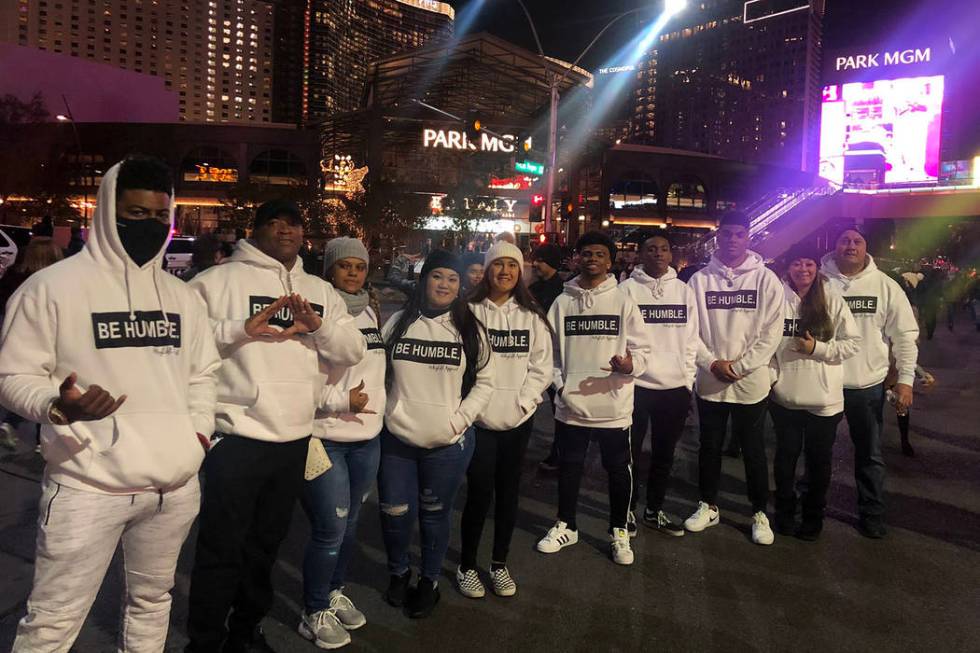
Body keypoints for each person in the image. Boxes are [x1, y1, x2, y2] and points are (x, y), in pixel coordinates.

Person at [0, 155, 220, 652]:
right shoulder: (51, 288)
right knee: (53, 621)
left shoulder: (181, 297)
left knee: (152, 601)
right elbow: (12, 375)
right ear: (106, 212)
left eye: (160, 216)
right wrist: (59, 407)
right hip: (87, 487)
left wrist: (197, 438)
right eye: (136, 214)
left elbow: (204, 374)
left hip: (174, 487)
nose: (151, 226)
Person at [185, 199, 366, 652]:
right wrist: (239, 329)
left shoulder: (318, 290)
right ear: (256, 229)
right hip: (237, 438)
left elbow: (352, 350)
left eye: (294, 222)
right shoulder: (214, 282)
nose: (286, 229)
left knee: (265, 548)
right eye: (275, 222)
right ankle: (205, 641)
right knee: (219, 550)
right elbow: (182, 347)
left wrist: (318, 327)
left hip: (294, 441)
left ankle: (246, 632)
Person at [379, 249, 494, 618]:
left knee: (434, 515)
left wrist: (460, 420)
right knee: (394, 512)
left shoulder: (470, 327)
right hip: (397, 438)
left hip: (447, 444)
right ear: (423, 278)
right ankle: (398, 572)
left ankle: (429, 581)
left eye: (452, 279)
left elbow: (487, 381)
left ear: (460, 286)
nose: (443, 284)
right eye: (436, 276)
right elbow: (377, 371)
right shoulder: (397, 321)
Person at [536, 231, 650, 566]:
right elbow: (551, 354)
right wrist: (560, 388)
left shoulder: (623, 301)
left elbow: (643, 350)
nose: (592, 260)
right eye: (586, 254)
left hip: (613, 403)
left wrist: (631, 366)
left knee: (618, 468)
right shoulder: (563, 301)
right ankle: (566, 525)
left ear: (610, 261)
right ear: (577, 259)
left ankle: (618, 530)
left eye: (600, 254)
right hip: (571, 405)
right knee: (570, 466)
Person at [299, 237, 385, 650]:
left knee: (350, 525)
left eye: (360, 266)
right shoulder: (316, 313)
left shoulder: (373, 309)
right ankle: (312, 609)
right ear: (329, 269)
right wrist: (339, 401)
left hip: (367, 440)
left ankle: (333, 591)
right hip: (327, 438)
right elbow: (295, 382)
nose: (353, 273)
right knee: (329, 528)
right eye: (344, 266)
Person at [458, 241, 552, 598]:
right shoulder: (467, 310)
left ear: (520, 272)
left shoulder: (531, 316)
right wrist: (469, 409)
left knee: (509, 494)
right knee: (479, 494)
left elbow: (541, 368)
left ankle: (499, 563)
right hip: (477, 420)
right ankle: (467, 565)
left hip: (517, 419)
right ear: (487, 270)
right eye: (498, 265)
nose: (505, 272)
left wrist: (523, 404)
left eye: (512, 266)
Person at [685, 211, 783, 546]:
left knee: (753, 449)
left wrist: (740, 367)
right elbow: (690, 331)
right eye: (726, 234)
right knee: (709, 447)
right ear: (718, 237)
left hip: (750, 382)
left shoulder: (766, 279)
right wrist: (711, 362)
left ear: (749, 237)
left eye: (739, 234)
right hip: (711, 380)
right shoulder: (699, 280)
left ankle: (759, 512)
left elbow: (772, 333)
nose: (732, 240)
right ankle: (708, 505)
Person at [821, 226, 918, 538]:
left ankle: (872, 513)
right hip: (822, 383)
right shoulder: (817, 282)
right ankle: (810, 510)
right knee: (816, 453)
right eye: (844, 240)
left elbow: (904, 335)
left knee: (870, 455)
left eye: (857, 241)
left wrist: (905, 380)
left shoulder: (885, 286)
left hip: (867, 386)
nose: (850, 245)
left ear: (865, 248)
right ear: (834, 246)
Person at [769, 244, 860, 541]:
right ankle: (784, 513)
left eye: (809, 264)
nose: (803, 270)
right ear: (788, 267)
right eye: (797, 263)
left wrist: (817, 349)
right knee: (785, 460)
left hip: (824, 402)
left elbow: (852, 343)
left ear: (816, 268)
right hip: (785, 398)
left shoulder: (832, 298)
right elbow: (765, 344)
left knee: (819, 464)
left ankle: (813, 517)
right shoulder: (776, 299)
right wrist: (771, 378)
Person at [618, 232, 698, 536]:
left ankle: (654, 509)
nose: (659, 254)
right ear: (641, 254)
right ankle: (627, 509)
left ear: (671, 254)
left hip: (674, 388)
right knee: (630, 454)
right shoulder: (626, 290)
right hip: (635, 385)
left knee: (665, 455)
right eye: (651, 249)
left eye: (664, 249)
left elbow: (692, 339)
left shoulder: (683, 291)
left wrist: (687, 380)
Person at [0, 236, 64, 451]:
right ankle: (39, 437)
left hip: (13, 332)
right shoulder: (55, 283)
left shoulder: (15, 276)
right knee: (46, 382)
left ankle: (11, 420)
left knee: (17, 377)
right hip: (49, 336)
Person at [527, 243, 565, 472]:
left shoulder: (562, 290)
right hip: (534, 356)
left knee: (558, 408)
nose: (535, 264)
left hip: (555, 358)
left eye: (540, 260)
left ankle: (560, 453)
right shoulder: (535, 287)